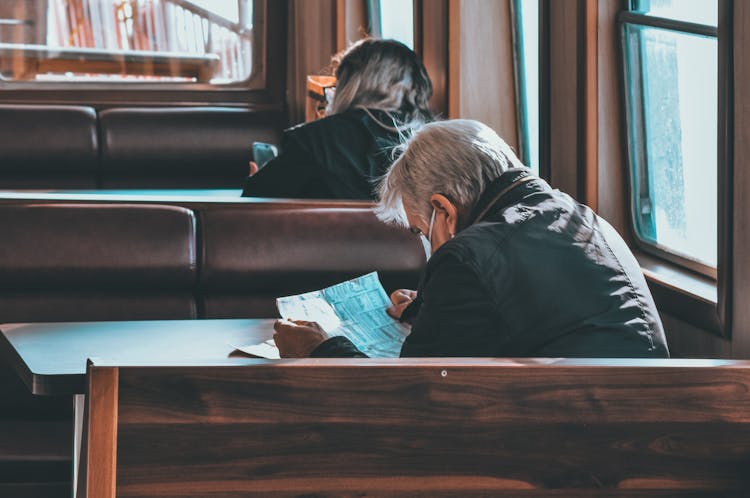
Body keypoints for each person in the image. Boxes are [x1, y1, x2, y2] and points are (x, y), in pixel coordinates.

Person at [273, 119, 670, 359]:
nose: (426, 245)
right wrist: (428, 309)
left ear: (444, 211)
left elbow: (405, 397)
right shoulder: (582, 218)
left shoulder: (466, 257)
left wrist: (319, 352)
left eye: (420, 232)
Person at [241, 38, 433, 199]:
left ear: (349, 84)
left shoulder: (314, 140)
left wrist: (257, 178)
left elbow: (256, 202)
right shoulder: (436, 141)